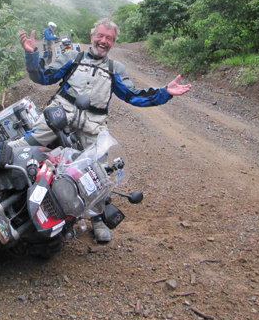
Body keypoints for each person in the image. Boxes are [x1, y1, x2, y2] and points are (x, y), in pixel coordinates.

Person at [14, 18, 192, 242]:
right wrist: (31, 56)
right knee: (26, 145)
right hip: (61, 112)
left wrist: (165, 92)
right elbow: (43, 77)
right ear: (92, 37)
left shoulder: (114, 68)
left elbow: (133, 95)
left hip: (94, 124)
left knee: (98, 173)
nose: (103, 41)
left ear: (114, 43)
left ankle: (96, 218)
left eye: (109, 38)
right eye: (100, 36)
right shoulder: (73, 57)